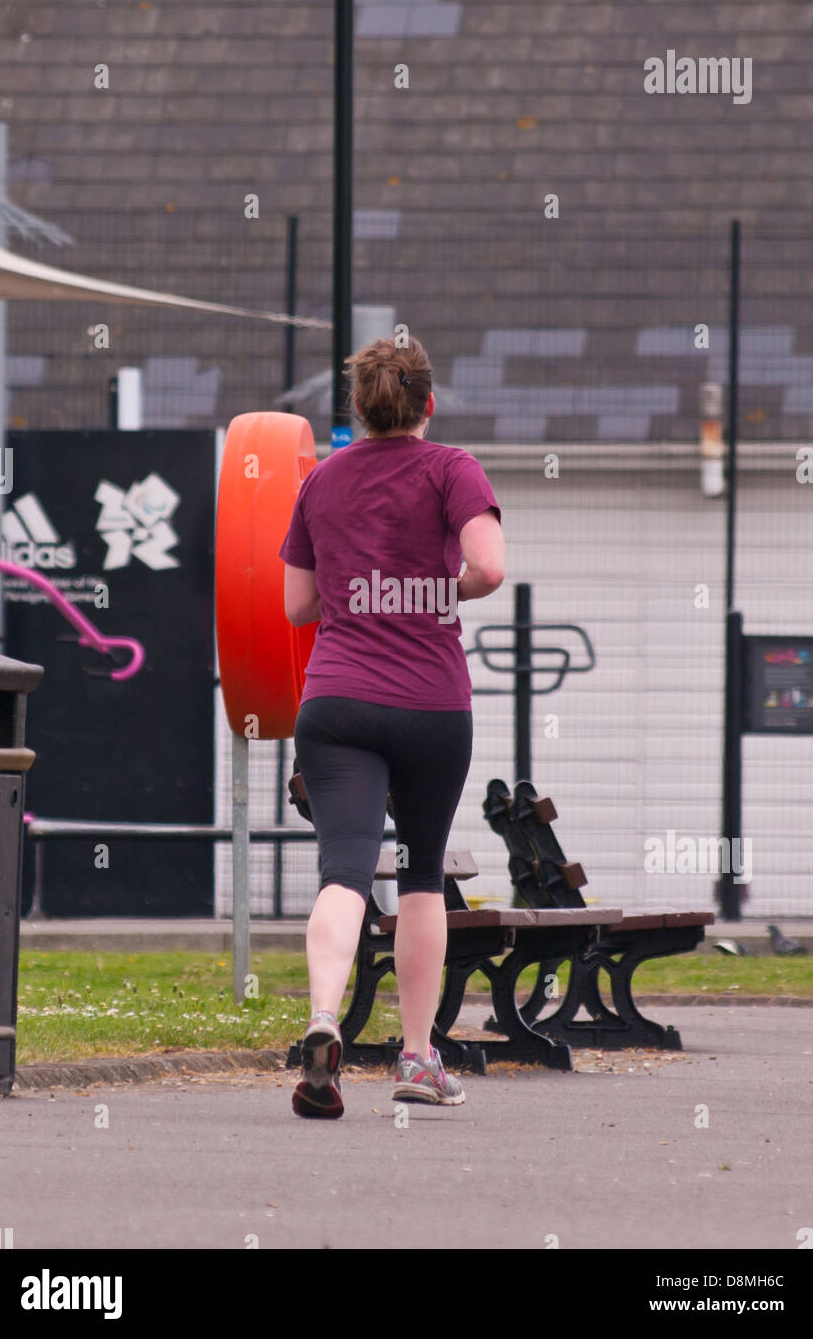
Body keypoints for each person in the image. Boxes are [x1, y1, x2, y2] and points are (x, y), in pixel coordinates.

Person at [279, 335, 505, 1119]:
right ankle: (416, 1057)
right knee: (419, 877)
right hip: (431, 707)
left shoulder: (321, 481)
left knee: (344, 870)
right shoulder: (452, 470)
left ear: (358, 408)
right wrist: (445, 588)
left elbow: (298, 606)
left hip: (336, 702)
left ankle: (320, 1022)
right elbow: (489, 566)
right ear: (428, 404)